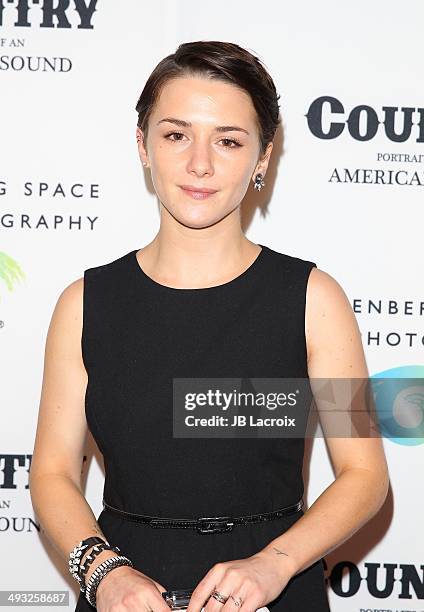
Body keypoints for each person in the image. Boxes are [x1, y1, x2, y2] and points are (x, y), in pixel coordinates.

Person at [29, 40, 389, 612]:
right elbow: (51, 473)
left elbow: (365, 474)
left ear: (263, 158)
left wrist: (275, 565)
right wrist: (103, 573)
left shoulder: (314, 299)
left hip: (276, 582)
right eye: (176, 135)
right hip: (124, 587)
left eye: (228, 140)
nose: (200, 164)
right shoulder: (84, 303)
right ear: (143, 146)